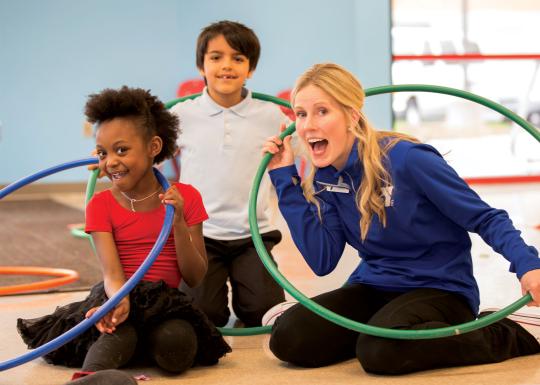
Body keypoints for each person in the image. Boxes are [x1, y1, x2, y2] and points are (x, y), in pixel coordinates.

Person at [262, 62, 540, 375]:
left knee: (380, 351)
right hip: (375, 287)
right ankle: (369, 327)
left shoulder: (408, 159)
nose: (307, 125)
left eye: (322, 111)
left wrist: (528, 265)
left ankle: (513, 331)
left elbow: (485, 218)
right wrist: (284, 178)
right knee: (288, 338)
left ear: (352, 115)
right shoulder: (327, 176)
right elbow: (322, 259)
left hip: (441, 289)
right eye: (301, 114)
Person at [17, 86, 231, 376]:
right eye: (103, 153)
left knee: (177, 346)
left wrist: (178, 222)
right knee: (118, 331)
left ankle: (139, 346)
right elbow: (112, 274)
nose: (110, 162)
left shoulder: (187, 197)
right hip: (119, 294)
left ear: (153, 147)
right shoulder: (100, 205)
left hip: (165, 304)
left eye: (121, 150)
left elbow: (194, 275)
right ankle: (90, 379)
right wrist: (119, 303)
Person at [169, 20, 289, 327]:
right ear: (201, 66)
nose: (227, 66)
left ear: (250, 69)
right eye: (216, 57)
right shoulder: (182, 115)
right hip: (200, 236)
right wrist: (108, 155)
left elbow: (304, 147)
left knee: (263, 312)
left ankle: (251, 293)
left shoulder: (270, 114)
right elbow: (146, 153)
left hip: (253, 236)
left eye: (238, 58)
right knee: (201, 316)